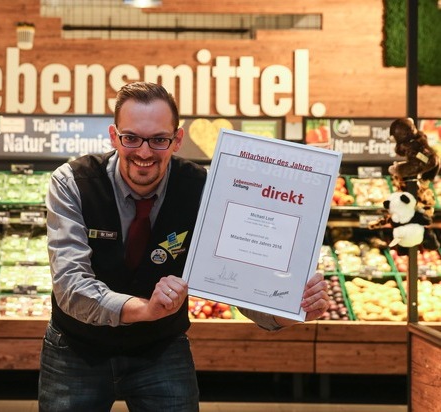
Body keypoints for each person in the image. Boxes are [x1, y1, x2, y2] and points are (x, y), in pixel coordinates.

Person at [38, 81, 329, 412]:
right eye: (131, 138)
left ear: (177, 140)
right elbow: (70, 286)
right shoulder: (73, 183)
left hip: (160, 348)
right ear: (113, 137)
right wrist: (144, 310)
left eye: (159, 140)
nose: (144, 152)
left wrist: (290, 309)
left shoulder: (204, 189)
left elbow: (236, 281)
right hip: (76, 349)